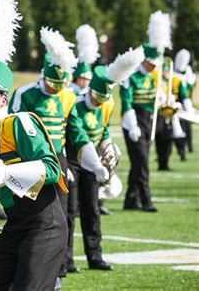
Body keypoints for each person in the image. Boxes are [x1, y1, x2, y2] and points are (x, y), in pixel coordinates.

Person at [0, 0, 66, 290]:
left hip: (43, 226)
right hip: (15, 227)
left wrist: (8, 173)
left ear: (4, 97)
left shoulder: (19, 122)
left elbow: (52, 170)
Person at [9, 28, 109, 277]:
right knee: (29, 217)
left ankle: (60, 264)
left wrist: (94, 163)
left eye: (59, 86)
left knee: (62, 216)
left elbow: (76, 132)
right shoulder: (25, 94)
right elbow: (12, 129)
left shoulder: (67, 97)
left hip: (59, 161)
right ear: (43, 76)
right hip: (29, 163)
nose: (55, 91)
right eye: (51, 85)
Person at [66, 48, 144, 273]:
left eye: (104, 100)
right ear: (90, 91)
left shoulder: (107, 105)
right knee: (70, 211)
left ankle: (95, 256)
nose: (100, 104)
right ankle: (66, 260)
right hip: (74, 159)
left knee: (92, 210)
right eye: (97, 98)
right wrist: (97, 164)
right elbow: (79, 137)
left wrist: (108, 147)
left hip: (94, 161)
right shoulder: (76, 104)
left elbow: (104, 131)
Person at [121, 43, 160, 212]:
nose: (154, 67)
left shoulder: (154, 78)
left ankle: (131, 200)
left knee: (138, 162)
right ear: (144, 61)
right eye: (151, 63)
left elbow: (157, 100)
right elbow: (127, 103)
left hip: (148, 123)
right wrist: (132, 126)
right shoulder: (131, 77)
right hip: (133, 124)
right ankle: (146, 200)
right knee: (142, 162)